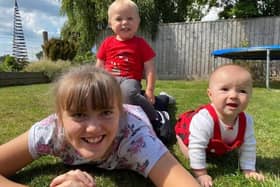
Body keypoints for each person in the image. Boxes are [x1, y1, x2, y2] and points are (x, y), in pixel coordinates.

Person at [0, 65, 200, 187]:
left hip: (142, 117)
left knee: (163, 126)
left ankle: (163, 103)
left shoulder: (136, 138)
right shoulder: (50, 131)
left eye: (105, 112)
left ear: (119, 114)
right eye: (79, 115)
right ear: (59, 119)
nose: (93, 128)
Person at [175, 64, 265, 187]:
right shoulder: (204, 120)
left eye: (242, 91)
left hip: (213, 141)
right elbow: (196, 146)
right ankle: (178, 139)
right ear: (210, 94)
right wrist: (201, 174)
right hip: (188, 131)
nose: (233, 95)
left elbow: (248, 145)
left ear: (250, 96)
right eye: (225, 89)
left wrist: (249, 169)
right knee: (191, 152)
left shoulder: (246, 121)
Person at [95, 0, 172, 142]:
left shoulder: (140, 43)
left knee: (128, 94)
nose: (125, 22)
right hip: (109, 80)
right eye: (119, 19)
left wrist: (149, 89)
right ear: (111, 24)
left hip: (129, 80)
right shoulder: (107, 43)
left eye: (130, 18)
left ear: (137, 22)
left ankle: (157, 116)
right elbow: (99, 65)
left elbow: (149, 68)